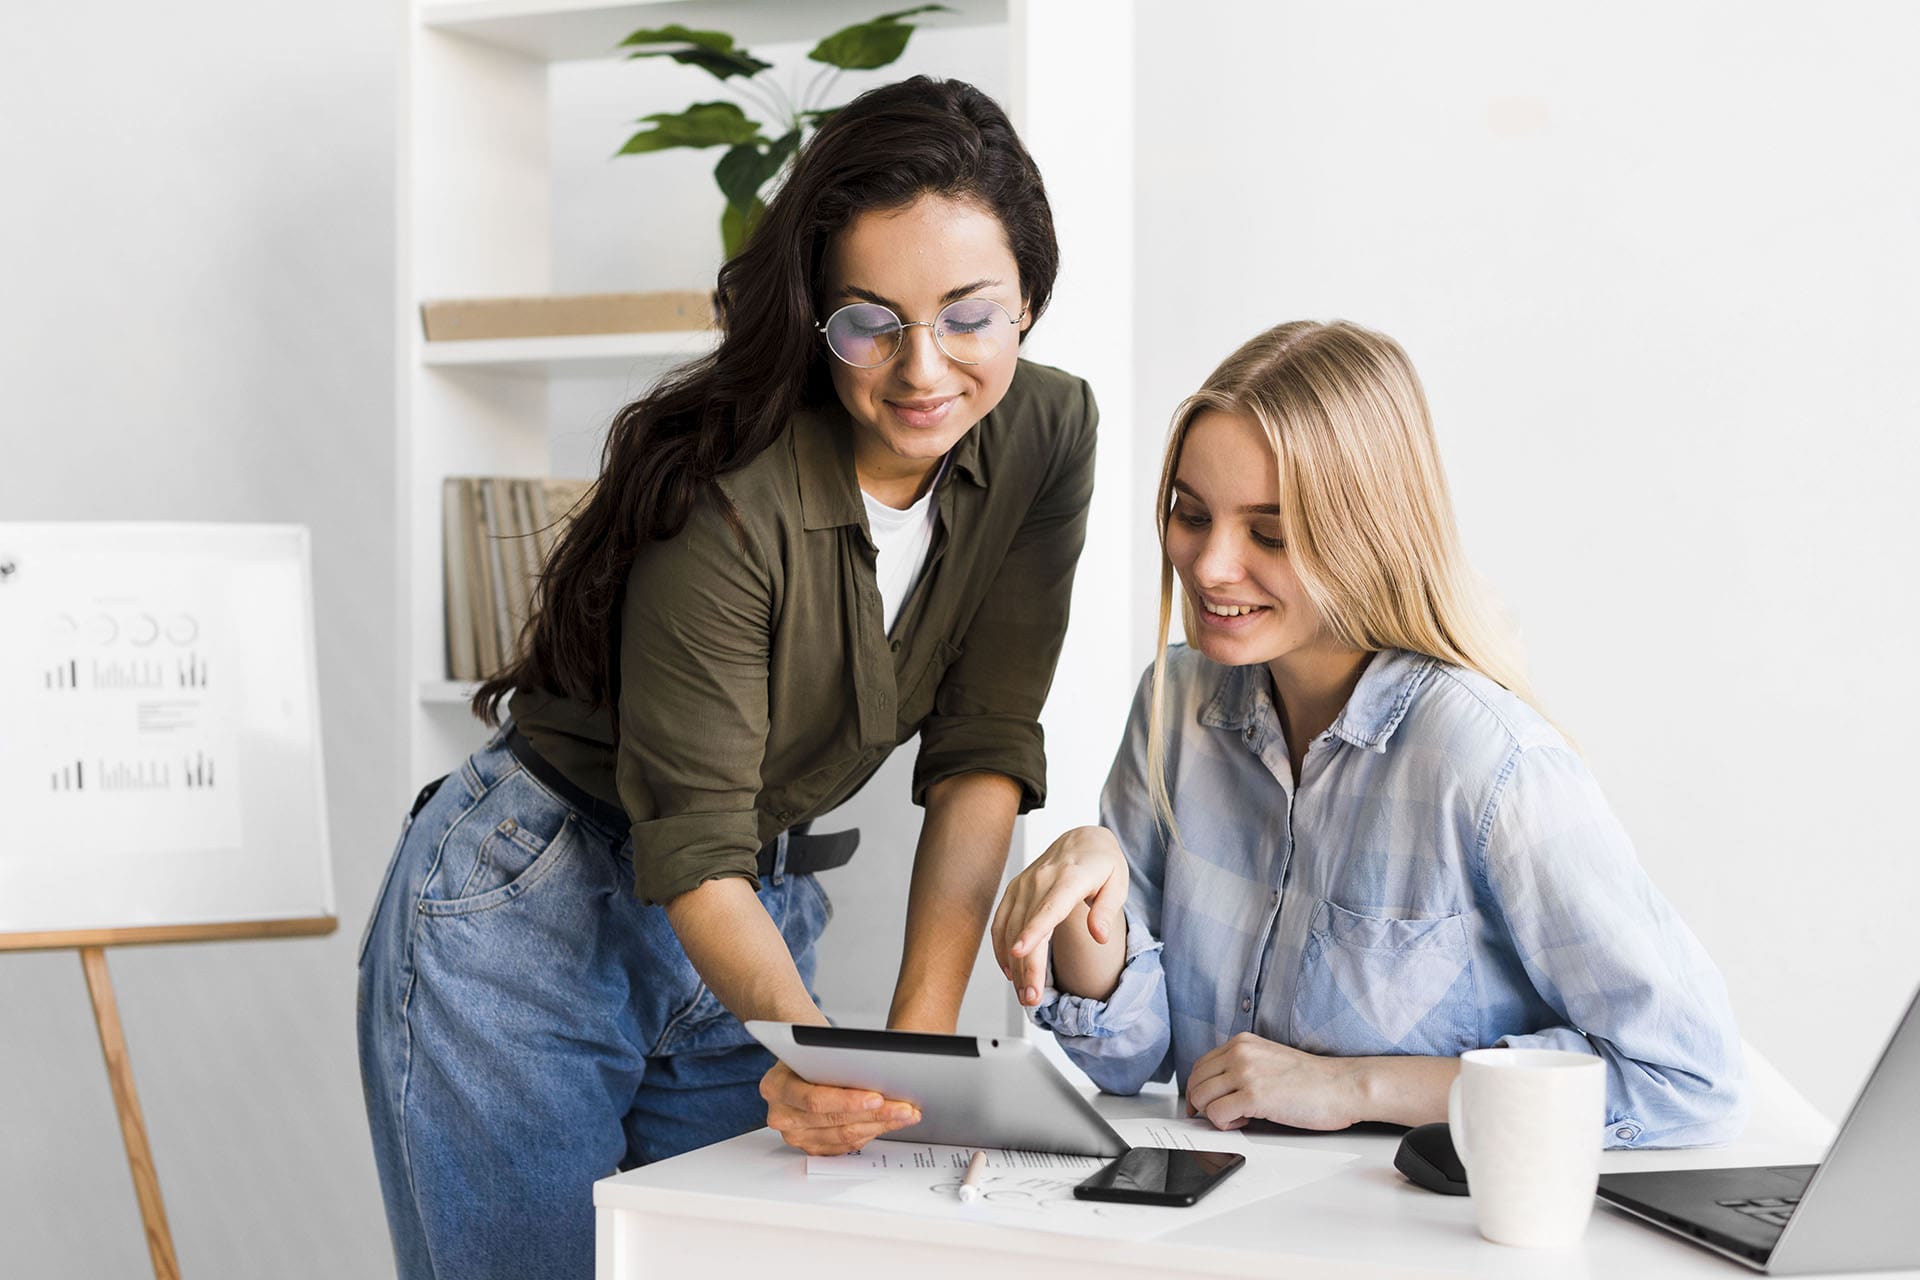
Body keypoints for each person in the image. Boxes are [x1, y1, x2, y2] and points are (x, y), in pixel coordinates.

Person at [358, 77, 1097, 1279]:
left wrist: (909, 1066)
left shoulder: (1045, 435)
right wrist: (817, 1055)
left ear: (1029, 299)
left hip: (755, 902)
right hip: (534, 911)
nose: (924, 370)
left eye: (970, 317)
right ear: (813, 313)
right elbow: (695, 839)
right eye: (870, 323)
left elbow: (985, 741)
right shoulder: (728, 494)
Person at [991, 320, 1746, 1147]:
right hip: (1222, 1207)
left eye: (1269, 533)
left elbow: (1686, 1073)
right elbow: (1131, 1059)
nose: (1208, 566)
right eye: (1191, 514)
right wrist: (1089, 891)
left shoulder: (1490, 762)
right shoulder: (1176, 700)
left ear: (1370, 536)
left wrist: (1357, 1086)